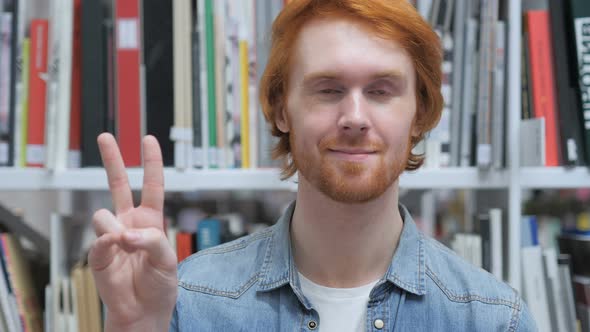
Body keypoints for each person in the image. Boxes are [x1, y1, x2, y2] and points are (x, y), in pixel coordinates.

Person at [89, 0, 537, 331]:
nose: (355, 118)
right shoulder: (186, 302)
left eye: (381, 90)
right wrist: (137, 326)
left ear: (419, 112)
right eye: (328, 89)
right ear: (282, 110)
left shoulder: (491, 318)